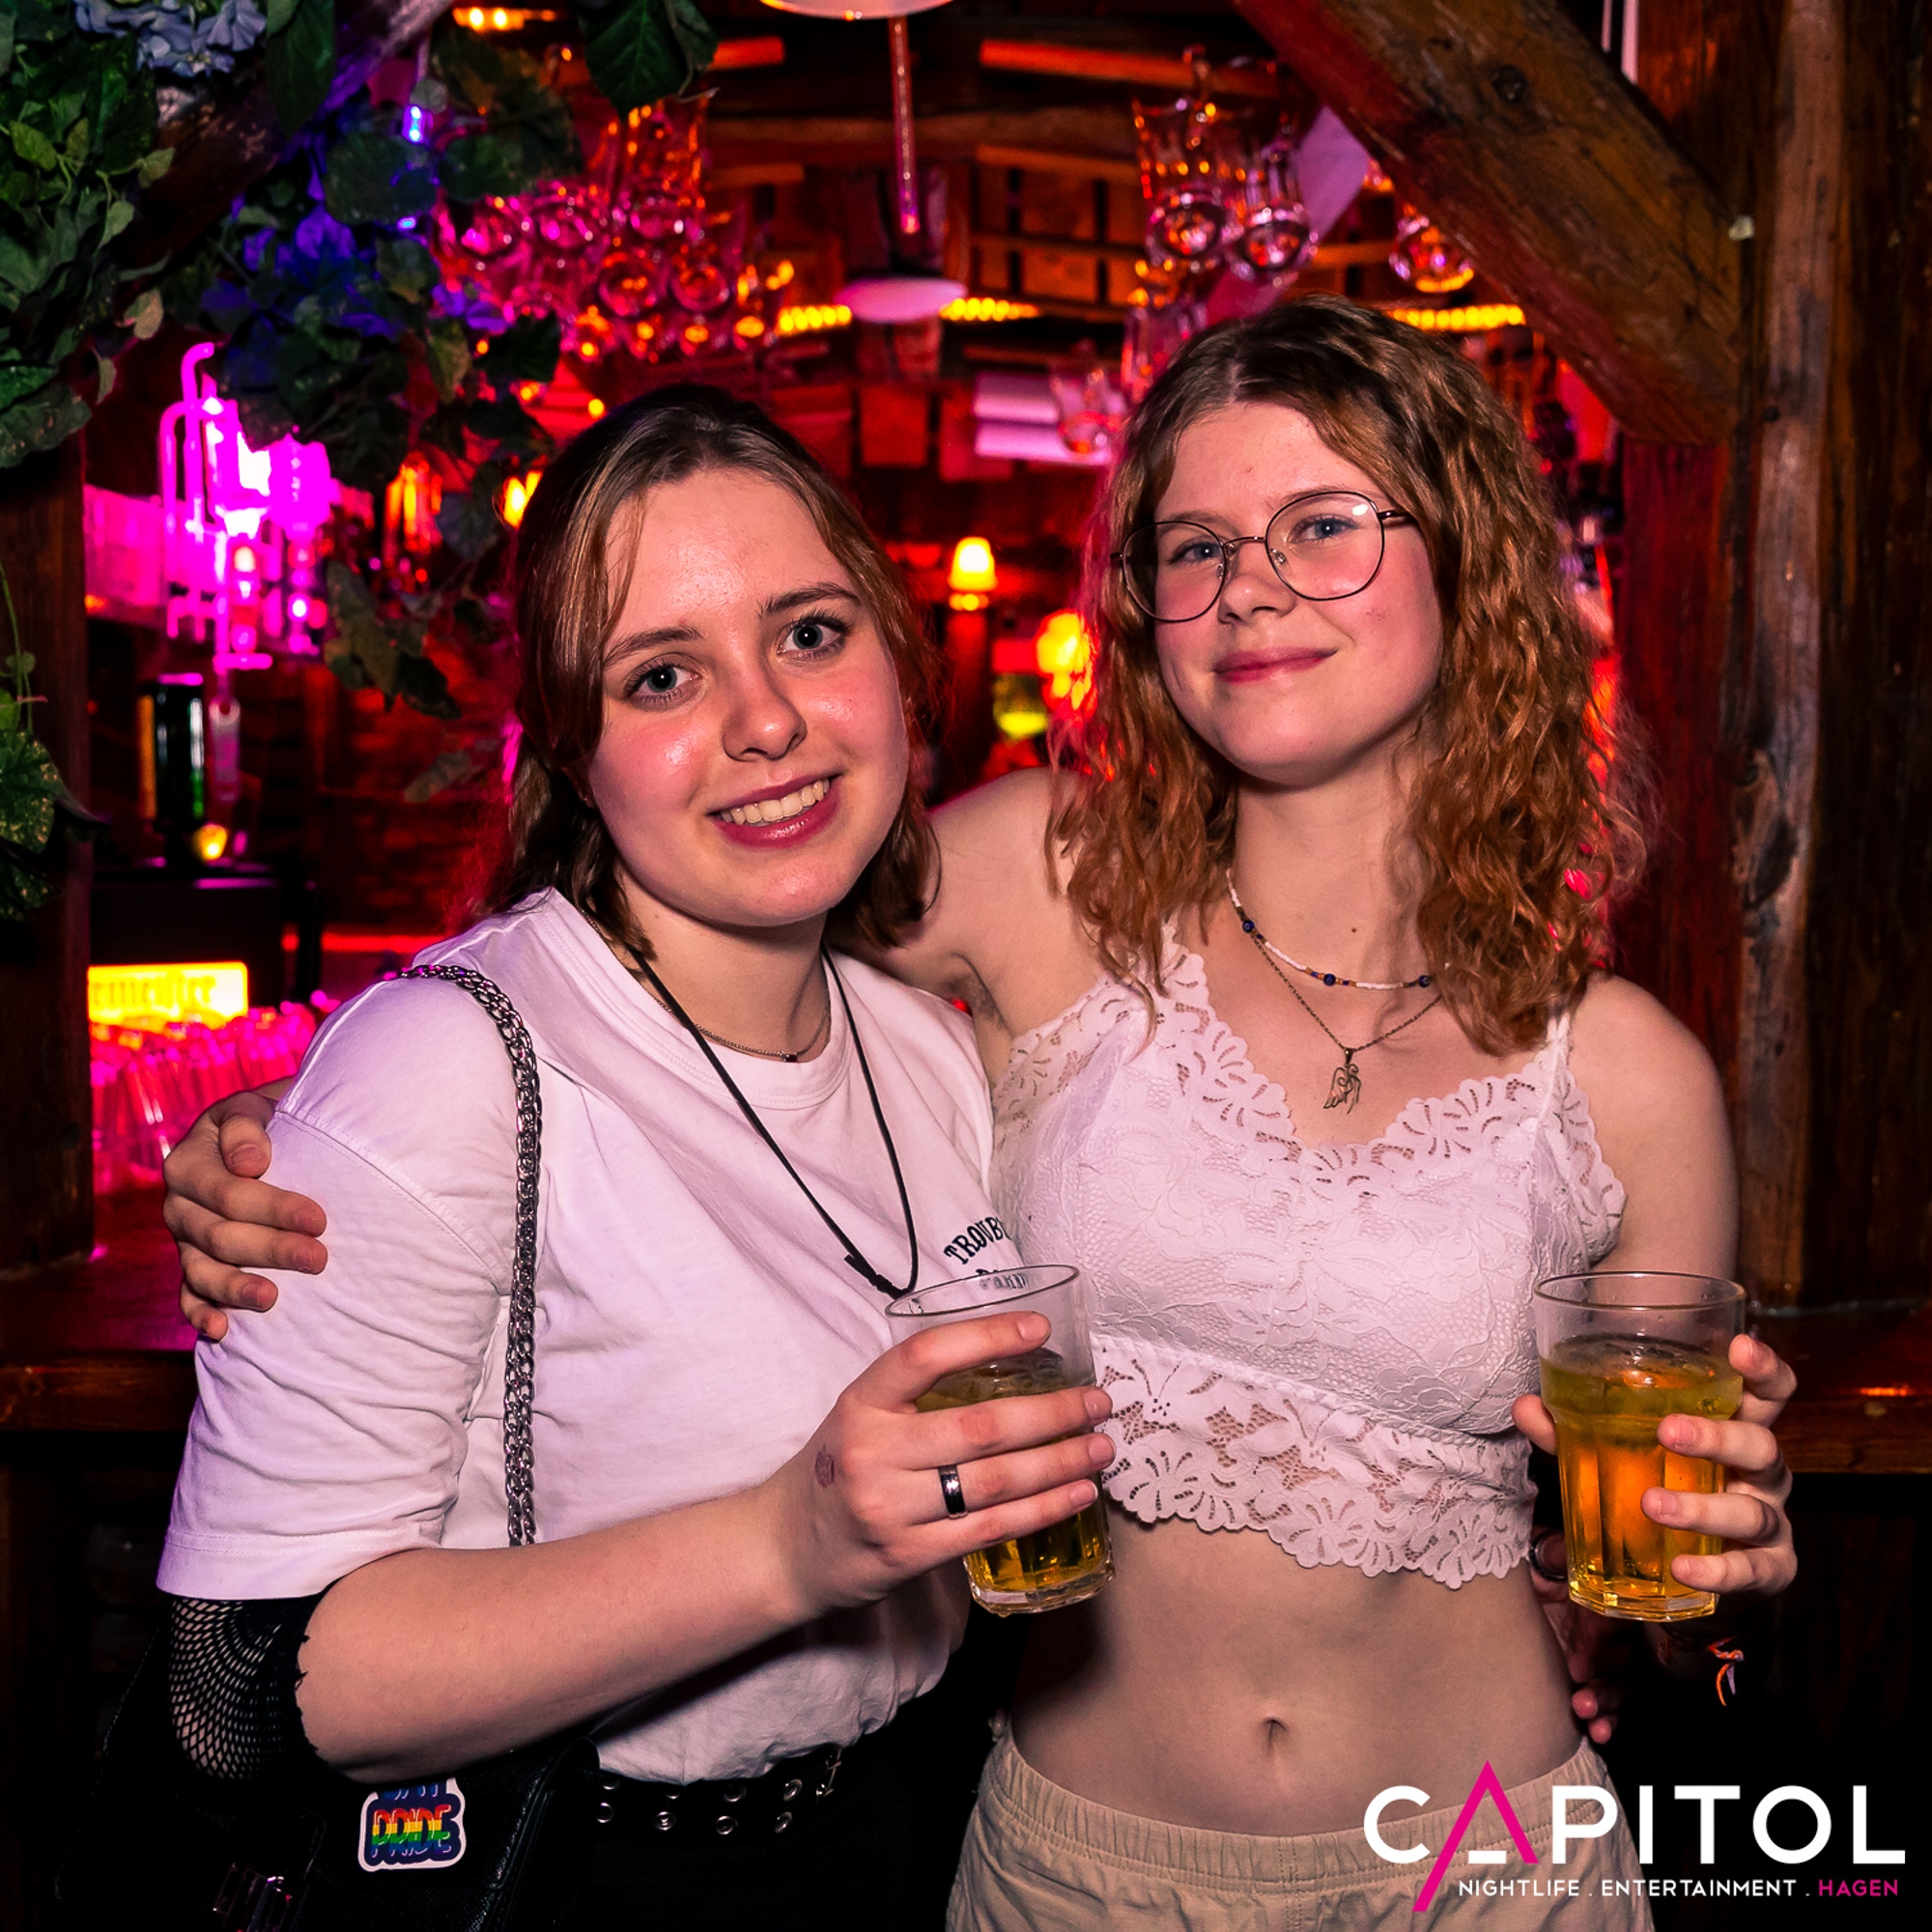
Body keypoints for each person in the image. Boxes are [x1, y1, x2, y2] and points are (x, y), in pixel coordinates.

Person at [167, 299, 1799, 1927]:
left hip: (1484, 1870)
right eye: (1198, 548)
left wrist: (1718, 1590)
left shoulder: (1633, 1077)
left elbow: (1674, 1646)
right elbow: (677, 956)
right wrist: (311, 1108)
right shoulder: (1040, 878)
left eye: (1323, 526)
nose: (1251, 588)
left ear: (1467, 559)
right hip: (1070, 1871)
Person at [148, 385, 1115, 1931]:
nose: (766, 721)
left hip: (897, 1844)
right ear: (571, 747)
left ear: (894, 657)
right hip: (581, 1880)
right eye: (663, 674)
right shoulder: (451, 1062)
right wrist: (789, 1546)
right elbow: (236, 1688)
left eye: (809, 634)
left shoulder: (924, 1051)